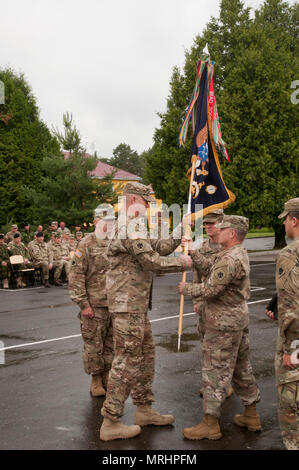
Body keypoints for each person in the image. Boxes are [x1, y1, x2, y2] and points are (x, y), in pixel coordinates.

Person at [100, 182, 192, 442]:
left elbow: (158, 247)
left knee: (145, 356)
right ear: (132, 200)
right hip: (127, 306)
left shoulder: (134, 226)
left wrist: (180, 228)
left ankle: (144, 409)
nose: (149, 207)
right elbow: (151, 262)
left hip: (136, 305)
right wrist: (183, 262)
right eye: (146, 202)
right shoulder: (128, 226)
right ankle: (111, 421)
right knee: (126, 360)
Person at [179, 215, 260, 440]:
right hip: (235, 320)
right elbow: (212, 270)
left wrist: (187, 289)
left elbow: (211, 289)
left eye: (222, 228)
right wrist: (194, 253)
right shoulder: (234, 254)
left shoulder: (229, 258)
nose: (218, 231)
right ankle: (251, 414)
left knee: (215, 370)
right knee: (241, 368)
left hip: (223, 323)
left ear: (232, 234)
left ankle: (210, 424)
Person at [183, 209, 234, 399]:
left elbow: (215, 273)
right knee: (207, 345)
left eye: (212, 223)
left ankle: (224, 384)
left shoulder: (228, 248)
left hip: (223, 305)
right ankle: (211, 383)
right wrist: (196, 301)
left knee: (224, 348)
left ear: (222, 223)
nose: (208, 227)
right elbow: (197, 276)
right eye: (205, 224)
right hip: (205, 303)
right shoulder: (202, 247)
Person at [69, 213, 115, 398]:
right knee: (94, 344)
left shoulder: (116, 242)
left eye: (113, 222)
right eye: (107, 222)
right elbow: (76, 274)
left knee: (111, 344)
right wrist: (83, 303)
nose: (111, 225)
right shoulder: (86, 243)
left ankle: (107, 375)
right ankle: (96, 379)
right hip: (94, 304)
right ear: (97, 222)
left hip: (114, 303)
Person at [267, 198, 299, 450]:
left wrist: (290, 347)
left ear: (294, 220)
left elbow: (291, 304)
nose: (285, 224)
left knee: (291, 407)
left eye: (286, 219)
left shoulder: (290, 253)